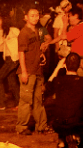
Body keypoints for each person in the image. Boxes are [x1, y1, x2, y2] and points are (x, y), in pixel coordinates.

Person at [43, 52, 83, 148]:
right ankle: (78, 139)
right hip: (77, 124)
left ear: (65, 66)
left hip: (58, 124)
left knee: (62, 117)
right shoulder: (82, 81)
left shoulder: (57, 80)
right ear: (78, 66)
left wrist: (58, 67)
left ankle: (61, 142)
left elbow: (47, 85)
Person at [17, 7, 49, 135]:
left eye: (37, 15)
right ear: (26, 17)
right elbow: (21, 53)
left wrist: (41, 54)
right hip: (28, 72)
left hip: (37, 70)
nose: (35, 17)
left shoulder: (36, 30)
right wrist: (24, 71)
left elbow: (33, 49)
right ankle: (22, 127)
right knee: (25, 101)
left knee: (38, 100)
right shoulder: (24, 33)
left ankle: (41, 126)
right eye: (32, 15)